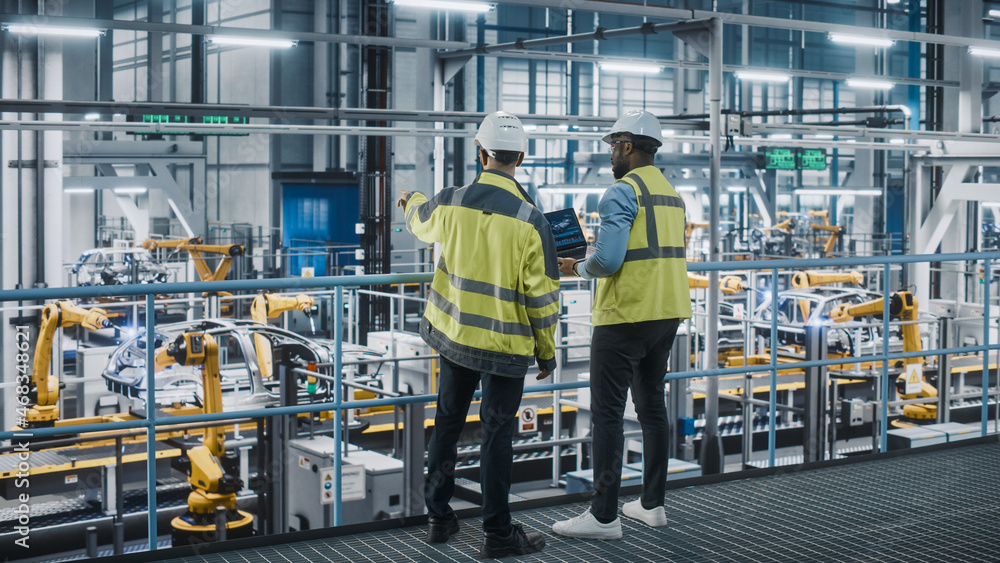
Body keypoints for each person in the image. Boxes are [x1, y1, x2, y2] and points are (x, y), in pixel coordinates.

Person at [397, 110, 559, 558]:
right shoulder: (533, 222)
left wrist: (410, 199)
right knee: (496, 435)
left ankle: (438, 518)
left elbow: (419, 220)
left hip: (454, 338)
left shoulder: (451, 200)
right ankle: (497, 532)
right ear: (520, 157)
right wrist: (547, 353)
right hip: (505, 350)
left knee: (447, 424)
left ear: (480, 152)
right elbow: (543, 300)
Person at [551, 109, 692, 540]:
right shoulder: (672, 194)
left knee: (608, 415)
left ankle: (604, 516)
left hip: (625, 315)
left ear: (628, 146)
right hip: (666, 314)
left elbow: (608, 260)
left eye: (614, 145)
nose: (612, 154)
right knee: (652, 408)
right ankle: (651, 505)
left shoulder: (619, 191)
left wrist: (575, 266)